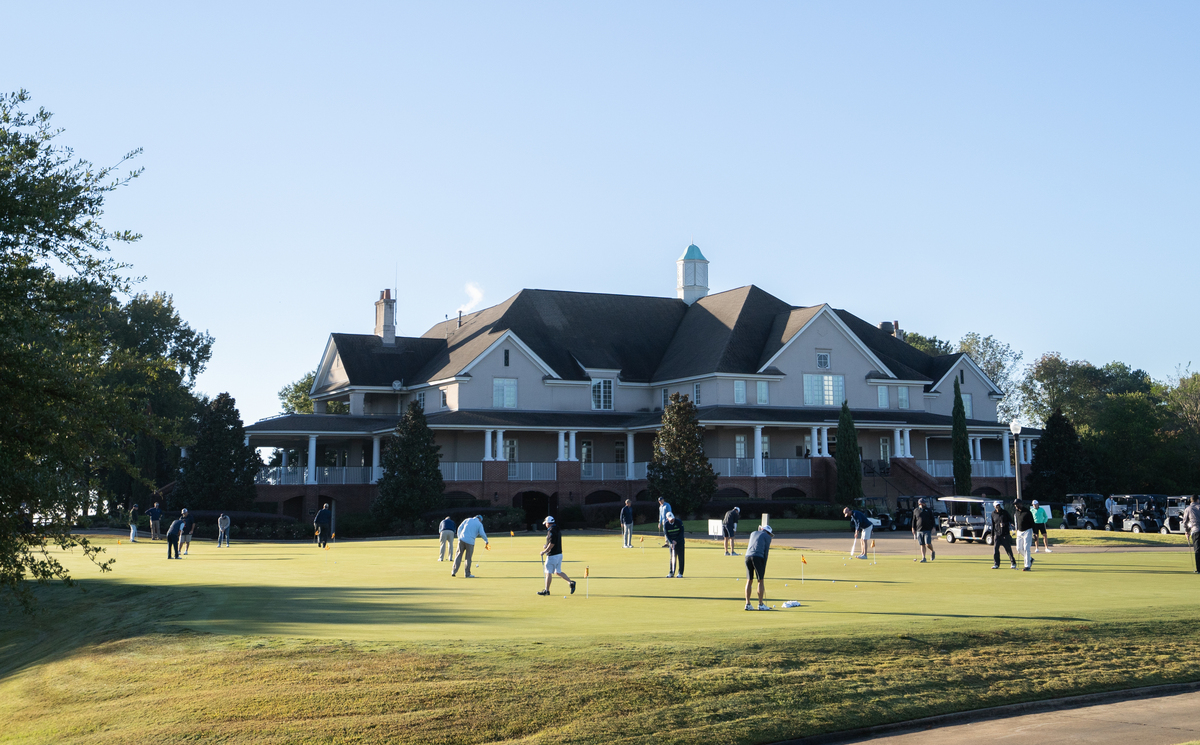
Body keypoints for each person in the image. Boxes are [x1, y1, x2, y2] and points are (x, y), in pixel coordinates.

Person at [537, 515, 576, 596]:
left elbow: (552, 543)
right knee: (557, 572)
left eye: (546, 523)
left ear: (548, 523)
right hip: (559, 554)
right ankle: (570, 582)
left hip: (552, 555)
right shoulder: (557, 529)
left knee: (548, 572)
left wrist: (544, 551)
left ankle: (546, 591)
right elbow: (551, 542)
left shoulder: (551, 531)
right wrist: (546, 546)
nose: (545, 525)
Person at [744, 524, 774, 611]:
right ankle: (760, 604)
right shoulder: (768, 537)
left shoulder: (753, 533)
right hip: (758, 557)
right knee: (760, 580)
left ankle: (747, 604)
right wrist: (764, 564)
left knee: (749, 580)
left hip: (747, 557)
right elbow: (766, 552)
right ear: (768, 532)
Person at [990, 500, 1016, 569]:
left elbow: (1010, 521)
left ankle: (1013, 563)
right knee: (995, 550)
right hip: (997, 534)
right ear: (994, 506)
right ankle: (996, 564)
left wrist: (1005, 524)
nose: (998, 506)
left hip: (1005, 534)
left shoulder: (1005, 513)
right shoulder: (993, 514)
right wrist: (992, 535)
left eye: (998, 505)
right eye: (996, 506)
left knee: (1008, 549)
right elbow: (993, 525)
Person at [912, 498, 937, 562]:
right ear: (920, 503)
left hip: (927, 529)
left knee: (928, 544)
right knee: (922, 544)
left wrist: (933, 527)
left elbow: (932, 519)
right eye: (924, 503)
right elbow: (914, 520)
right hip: (919, 530)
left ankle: (932, 551)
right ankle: (923, 558)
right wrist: (913, 528)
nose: (925, 504)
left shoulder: (928, 510)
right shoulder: (916, 510)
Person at [1014, 499, 1035, 571]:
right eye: (1015, 504)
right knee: (1019, 549)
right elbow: (1016, 522)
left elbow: (1032, 523)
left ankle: (1027, 566)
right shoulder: (1016, 512)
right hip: (1019, 532)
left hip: (1027, 531)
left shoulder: (1027, 512)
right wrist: (1016, 530)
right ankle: (1030, 559)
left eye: (1017, 504)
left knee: (1026, 548)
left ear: (1021, 504)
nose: (1016, 506)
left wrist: (1035, 533)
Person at [1181, 495, 1200, 574]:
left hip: (1196, 531)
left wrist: (1187, 532)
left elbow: (1185, 522)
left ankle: (1199, 569)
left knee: (1198, 550)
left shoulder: (1188, 509)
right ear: (1197, 500)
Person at [663, 511, 685, 577]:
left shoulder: (679, 522)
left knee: (681, 558)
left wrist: (676, 541)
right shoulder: (666, 524)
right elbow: (667, 534)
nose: (672, 520)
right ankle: (671, 573)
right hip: (672, 543)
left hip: (680, 542)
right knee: (672, 558)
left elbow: (681, 533)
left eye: (672, 518)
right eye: (670, 519)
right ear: (667, 519)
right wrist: (671, 542)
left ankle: (680, 573)